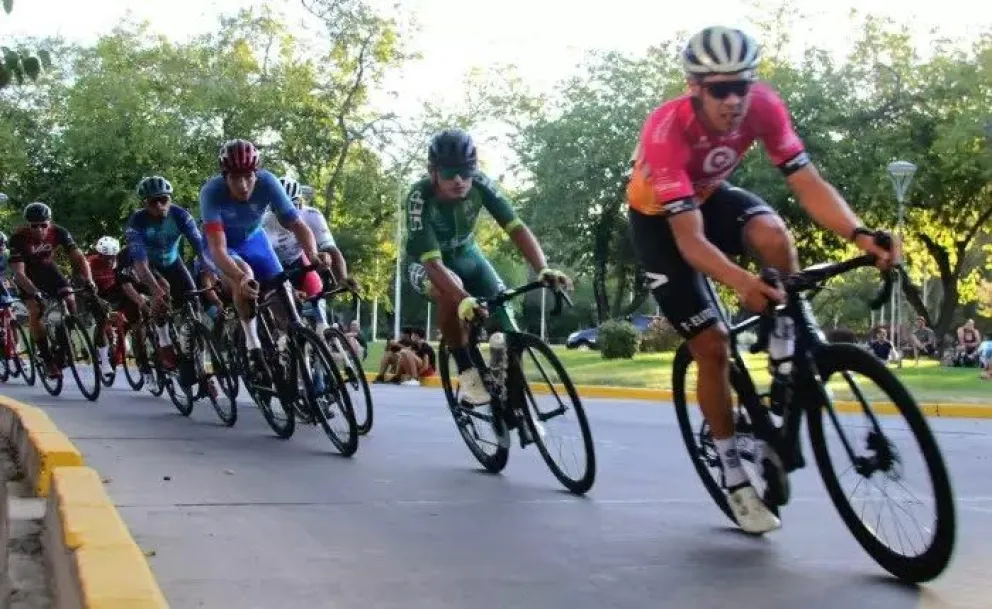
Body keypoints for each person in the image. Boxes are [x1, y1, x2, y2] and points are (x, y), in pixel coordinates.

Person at [626, 26, 898, 534]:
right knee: (713, 345)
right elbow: (689, 241)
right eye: (720, 89)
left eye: (742, 86)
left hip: (710, 197)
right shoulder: (666, 131)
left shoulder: (765, 107)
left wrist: (860, 234)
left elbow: (809, 184)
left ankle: (786, 338)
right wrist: (740, 282)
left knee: (774, 235)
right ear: (694, 87)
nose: (734, 100)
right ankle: (734, 476)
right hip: (661, 223)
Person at [404, 128, 571, 406]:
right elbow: (433, 263)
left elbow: (516, 228)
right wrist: (462, 298)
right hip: (426, 263)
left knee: (505, 317)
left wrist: (543, 268)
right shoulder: (419, 198)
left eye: (466, 171)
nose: (459, 180)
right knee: (448, 290)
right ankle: (467, 371)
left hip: (468, 254)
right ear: (433, 172)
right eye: (449, 173)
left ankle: (505, 388)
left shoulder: (481, 184)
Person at [199, 139, 327, 383]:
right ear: (225, 176)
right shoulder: (211, 192)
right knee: (245, 275)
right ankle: (252, 346)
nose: (243, 185)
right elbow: (217, 248)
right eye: (235, 178)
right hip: (221, 244)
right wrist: (239, 278)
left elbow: (297, 224)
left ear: (256, 173)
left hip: (253, 239)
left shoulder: (268, 182)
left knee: (284, 297)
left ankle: (292, 355)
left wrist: (313, 254)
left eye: (248, 176)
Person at [125, 175, 209, 388]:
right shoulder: (137, 222)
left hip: (172, 262)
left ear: (170, 199)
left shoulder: (180, 215)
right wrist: (155, 290)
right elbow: (140, 265)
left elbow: (200, 247)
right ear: (145, 203)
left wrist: (210, 271)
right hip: (148, 266)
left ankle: (195, 357)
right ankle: (164, 343)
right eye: (153, 202)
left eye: (164, 199)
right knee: (161, 291)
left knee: (193, 300)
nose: (159, 206)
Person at [260, 175, 357, 336]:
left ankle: (322, 337)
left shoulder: (311, 215)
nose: (288, 214)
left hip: (298, 261)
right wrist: (289, 290)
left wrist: (343, 278)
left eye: (294, 206)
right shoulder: (265, 223)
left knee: (318, 303)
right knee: (285, 318)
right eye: (280, 209)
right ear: (273, 209)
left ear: (300, 203)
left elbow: (332, 250)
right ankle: (282, 338)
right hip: (274, 267)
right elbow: (265, 263)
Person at [9, 202, 96, 378]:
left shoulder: (59, 232)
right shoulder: (18, 238)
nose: (39, 230)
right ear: (28, 224)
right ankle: (47, 359)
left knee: (70, 300)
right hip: (28, 277)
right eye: (34, 226)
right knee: (36, 311)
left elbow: (79, 258)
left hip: (50, 271)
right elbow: (19, 273)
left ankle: (64, 341)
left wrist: (89, 280)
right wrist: (35, 293)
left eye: (43, 225)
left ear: (50, 222)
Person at [85, 236, 151, 382]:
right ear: (99, 254)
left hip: (116, 293)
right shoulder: (90, 263)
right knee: (102, 319)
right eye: (105, 257)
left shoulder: (121, 262)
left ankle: (131, 340)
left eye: (112, 257)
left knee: (135, 306)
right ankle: (104, 360)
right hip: (96, 294)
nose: (109, 260)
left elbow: (133, 282)